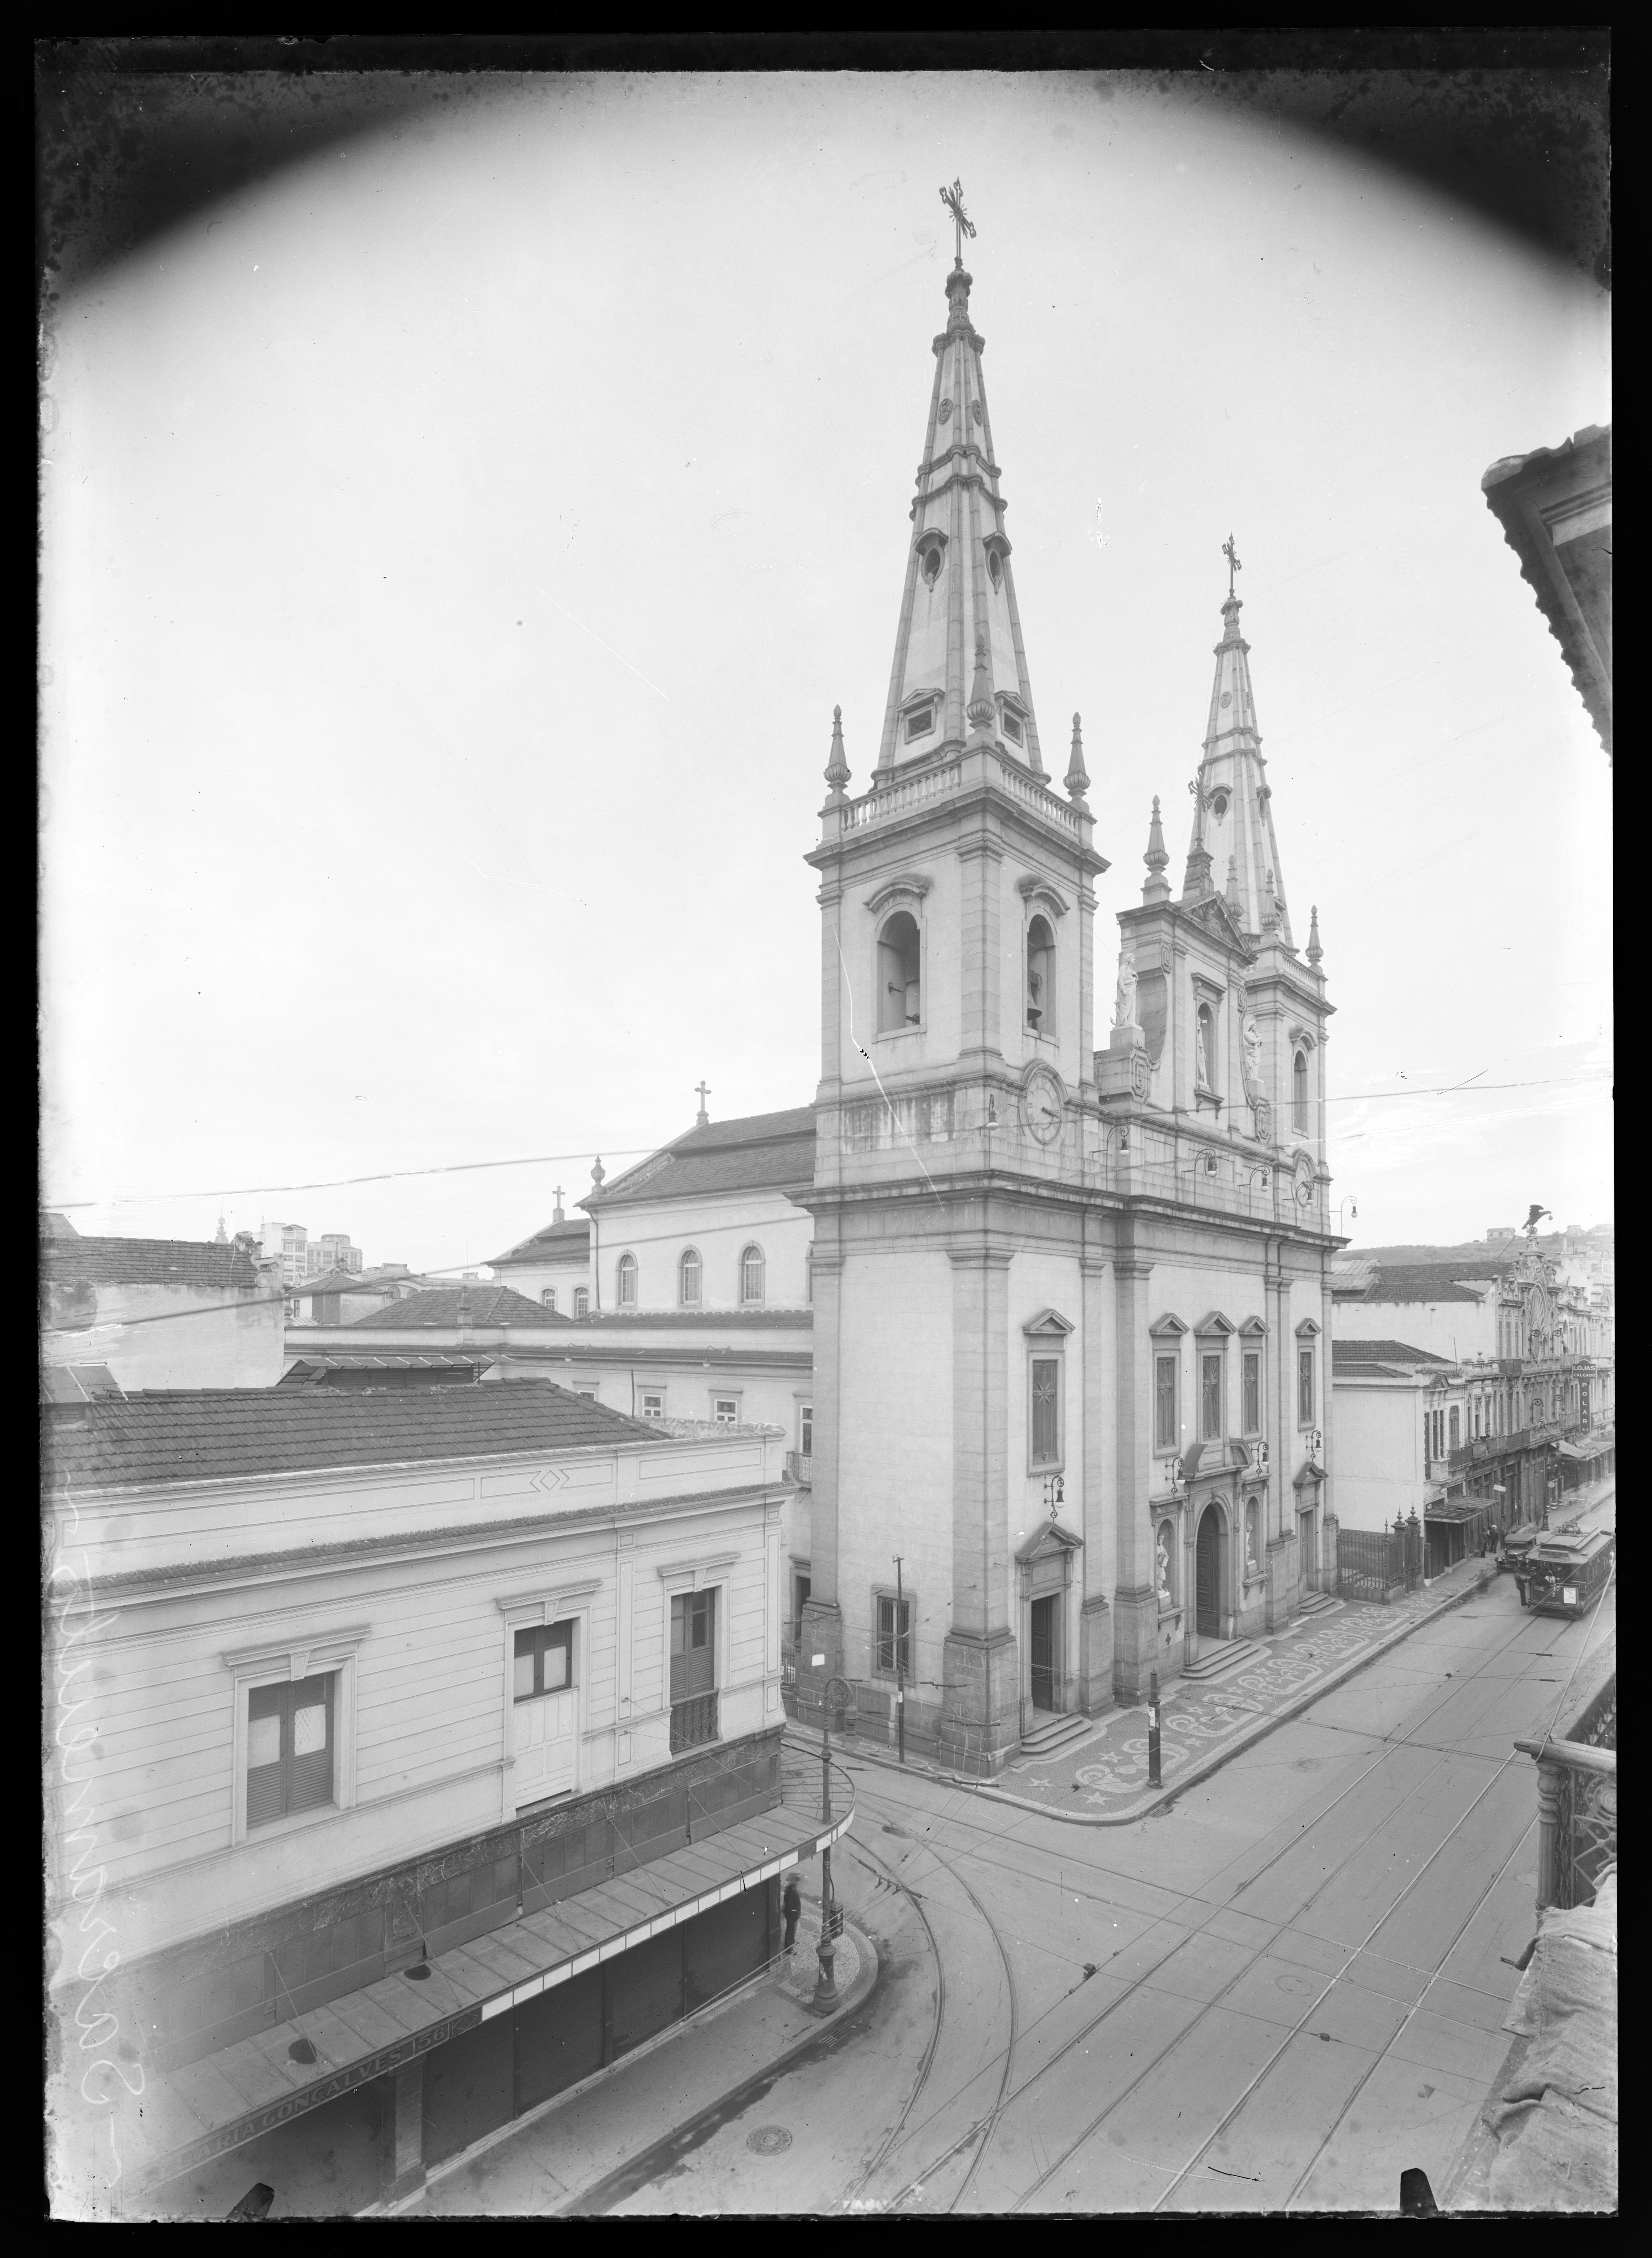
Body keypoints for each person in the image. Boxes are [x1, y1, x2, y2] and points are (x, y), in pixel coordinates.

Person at [781, 1874, 802, 1956]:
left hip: (794, 1914)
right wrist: (794, 1911)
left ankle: (792, 1941)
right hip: (792, 1915)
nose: (797, 1883)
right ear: (792, 1881)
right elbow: (789, 1905)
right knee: (790, 1930)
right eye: (795, 1881)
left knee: (792, 1929)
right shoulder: (789, 1891)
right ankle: (789, 1949)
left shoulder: (793, 1889)